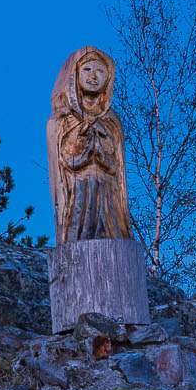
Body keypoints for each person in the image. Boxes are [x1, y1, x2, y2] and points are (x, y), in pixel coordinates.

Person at [46, 46, 132, 243]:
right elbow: (62, 166)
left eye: (100, 71)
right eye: (87, 69)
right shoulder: (60, 121)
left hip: (109, 199)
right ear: (74, 74)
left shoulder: (111, 121)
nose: (93, 76)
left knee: (115, 242)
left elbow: (117, 166)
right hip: (76, 197)